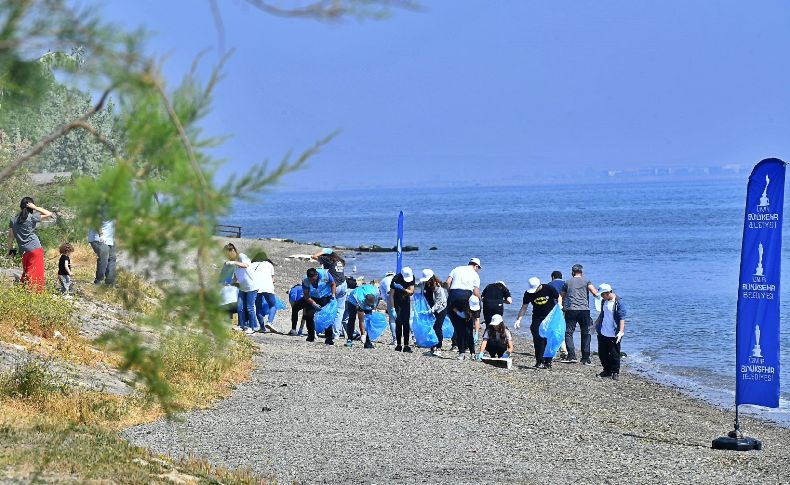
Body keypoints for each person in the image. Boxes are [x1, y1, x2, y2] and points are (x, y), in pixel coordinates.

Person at [7, 197, 52, 292]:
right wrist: (36, 207)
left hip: (23, 250)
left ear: (21, 206)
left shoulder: (13, 219)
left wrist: (11, 252)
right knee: (35, 272)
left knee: (27, 271)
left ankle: (24, 291)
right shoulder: (32, 217)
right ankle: (34, 294)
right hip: (35, 249)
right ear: (30, 206)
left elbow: (11, 237)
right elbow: (49, 214)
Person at [515, 277, 560, 369]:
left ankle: (548, 362)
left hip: (550, 317)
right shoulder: (528, 293)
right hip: (537, 318)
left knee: (549, 339)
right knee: (538, 338)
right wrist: (519, 320)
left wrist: (560, 305)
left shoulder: (549, 288)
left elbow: (559, 297)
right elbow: (524, 307)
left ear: (540, 285)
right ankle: (539, 361)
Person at [561, 264, 599, 365]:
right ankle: (585, 358)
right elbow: (595, 293)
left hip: (571, 310)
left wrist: (561, 306)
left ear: (572, 272)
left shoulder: (567, 282)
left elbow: (561, 296)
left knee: (568, 332)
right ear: (581, 272)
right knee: (586, 333)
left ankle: (572, 356)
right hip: (584, 310)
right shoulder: (587, 281)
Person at [445, 257, 482, 349]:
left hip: (453, 295)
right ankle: (465, 345)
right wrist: (480, 300)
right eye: (478, 268)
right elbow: (476, 291)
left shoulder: (456, 269)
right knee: (466, 321)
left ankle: (455, 345)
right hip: (466, 295)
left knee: (455, 321)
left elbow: (447, 282)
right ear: (476, 266)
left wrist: (450, 293)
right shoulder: (475, 275)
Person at [594, 283, 627, 381]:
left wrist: (621, 331)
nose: (601, 296)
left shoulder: (618, 303)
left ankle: (615, 372)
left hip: (614, 334)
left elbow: (622, 318)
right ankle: (607, 370)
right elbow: (602, 314)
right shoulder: (603, 301)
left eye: (602, 294)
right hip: (603, 332)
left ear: (608, 293)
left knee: (614, 354)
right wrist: (595, 325)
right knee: (602, 353)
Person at [312, 248, 347, 341]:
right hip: (344, 285)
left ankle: (325, 329)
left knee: (330, 308)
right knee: (340, 310)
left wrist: (323, 252)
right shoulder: (340, 260)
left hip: (335, 286)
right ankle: (336, 334)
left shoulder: (328, 259)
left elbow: (313, 256)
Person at [224, 243, 257, 334]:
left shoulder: (242, 256)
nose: (227, 256)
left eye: (228, 254)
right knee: (239, 307)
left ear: (233, 251)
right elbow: (235, 277)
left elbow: (246, 265)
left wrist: (233, 262)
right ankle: (241, 326)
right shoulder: (234, 262)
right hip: (242, 287)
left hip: (251, 286)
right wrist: (229, 283)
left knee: (249, 307)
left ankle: (252, 328)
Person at [302, 267, 337, 344]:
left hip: (325, 296)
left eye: (313, 280)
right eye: (310, 280)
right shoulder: (305, 280)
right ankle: (311, 336)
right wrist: (314, 304)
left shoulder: (325, 274)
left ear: (316, 275)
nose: (312, 281)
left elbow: (333, 284)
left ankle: (328, 338)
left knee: (327, 316)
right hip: (313, 298)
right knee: (309, 316)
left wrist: (333, 295)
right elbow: (306, 296)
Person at [344, 284, 380, 349]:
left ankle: (368, 342)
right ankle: (349, 339)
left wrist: (374, 309)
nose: (369, 306)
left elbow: (374, 307)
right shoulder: (360, 300)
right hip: (352, 300)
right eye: (368, 305)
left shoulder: (377, 295)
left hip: (368, 292)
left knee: (369, 320)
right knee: (352, 319)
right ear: (365, 301)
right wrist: (363, 334)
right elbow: (361, 320)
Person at [421, 269, 448, 356]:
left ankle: (439, 347)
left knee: (437, 327)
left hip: (441, 309)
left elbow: (440, 302)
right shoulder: (425, 284)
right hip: (431, 308)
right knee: (431, 327)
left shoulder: (438, 287)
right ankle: (433, 347)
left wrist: (431, 311)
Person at [389, 266, 415, 352]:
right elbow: (391, 295)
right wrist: (392, 309)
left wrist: (403, 289)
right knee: (398, 323)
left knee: (406, 323)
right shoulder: (395, 279)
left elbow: (411, 292)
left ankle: (406, 345)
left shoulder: (412, 277)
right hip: (397, 302)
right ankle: (399, 345)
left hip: (406, 302)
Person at [249, 254, 277, 333]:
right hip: (268, 288)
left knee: (258, 307)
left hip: (255, 288)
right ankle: (269, 322)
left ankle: (262, 328)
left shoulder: (252, 265)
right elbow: (273, 280)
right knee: (273, 305)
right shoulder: (269, 265)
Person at [449, 294, 481, 360]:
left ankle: (473, 353)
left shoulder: (477, 306)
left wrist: (477, 333)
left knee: (469, 333)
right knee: (461, 333)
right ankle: (461, 353)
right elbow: (452, 307)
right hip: (457, 315)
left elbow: (477, 320)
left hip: (468, 316)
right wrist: (458, 313)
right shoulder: (461, 301)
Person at [87, 219, 116, 286]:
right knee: (104, 257)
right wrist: (101, 234)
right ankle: (99, 281)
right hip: (98, 238)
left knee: (112, 258)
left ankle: (110, 282)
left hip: (109, 239)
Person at [547, 271, 568, 359]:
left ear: (552, 277)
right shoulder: (566, 284)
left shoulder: (549, 285)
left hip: (553, 309)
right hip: (565, 309)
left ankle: (556, 351)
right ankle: (564, 350)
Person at [379, 271, 397, 345]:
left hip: (390, 299)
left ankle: (395, 339)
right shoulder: (396, 278)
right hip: (400, 298)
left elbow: (388, 292)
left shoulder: (384, 280)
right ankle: (412, 338)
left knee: (392, 319)